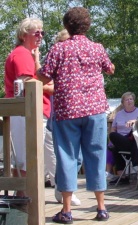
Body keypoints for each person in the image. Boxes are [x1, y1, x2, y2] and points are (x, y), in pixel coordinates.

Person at [37, 7, 115, 223]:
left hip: (67, 110)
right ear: (87, 25)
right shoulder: (97, 48)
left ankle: (67, 211)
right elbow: (110, 69)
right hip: (95, 110)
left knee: (67, 158)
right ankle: (101, 208)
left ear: (67, 26)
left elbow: (43, 76)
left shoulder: (58, 49)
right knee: (97, 155)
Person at [4, 18, 52, 197]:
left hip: (29, 113)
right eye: (36, 32)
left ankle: (23, 203)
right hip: (27, 113)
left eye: (42, 32)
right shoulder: (22, 54)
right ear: (24, 35)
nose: (40, 36)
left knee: (27, 161)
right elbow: (26, 82)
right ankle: (24, 205)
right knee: (27, 161)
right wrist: (52, 87)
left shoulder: (27, 54)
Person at [35, 28, 82, 206]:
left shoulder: (76, 59)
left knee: (77, 157)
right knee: (62, 155)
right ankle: (64, 190)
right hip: (58, 113)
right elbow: (43, 80)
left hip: (76, 111)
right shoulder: (55, 57)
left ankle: (62, 188)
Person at [109, 90, 138, 185]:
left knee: (113, 139)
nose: (130, 101)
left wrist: (135, 121)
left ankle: (125, 175)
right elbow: (113, 128)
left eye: (131, 99)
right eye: (127, 100)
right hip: (134, 142)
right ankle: (122, 176)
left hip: (136, 145)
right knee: (114, 146)